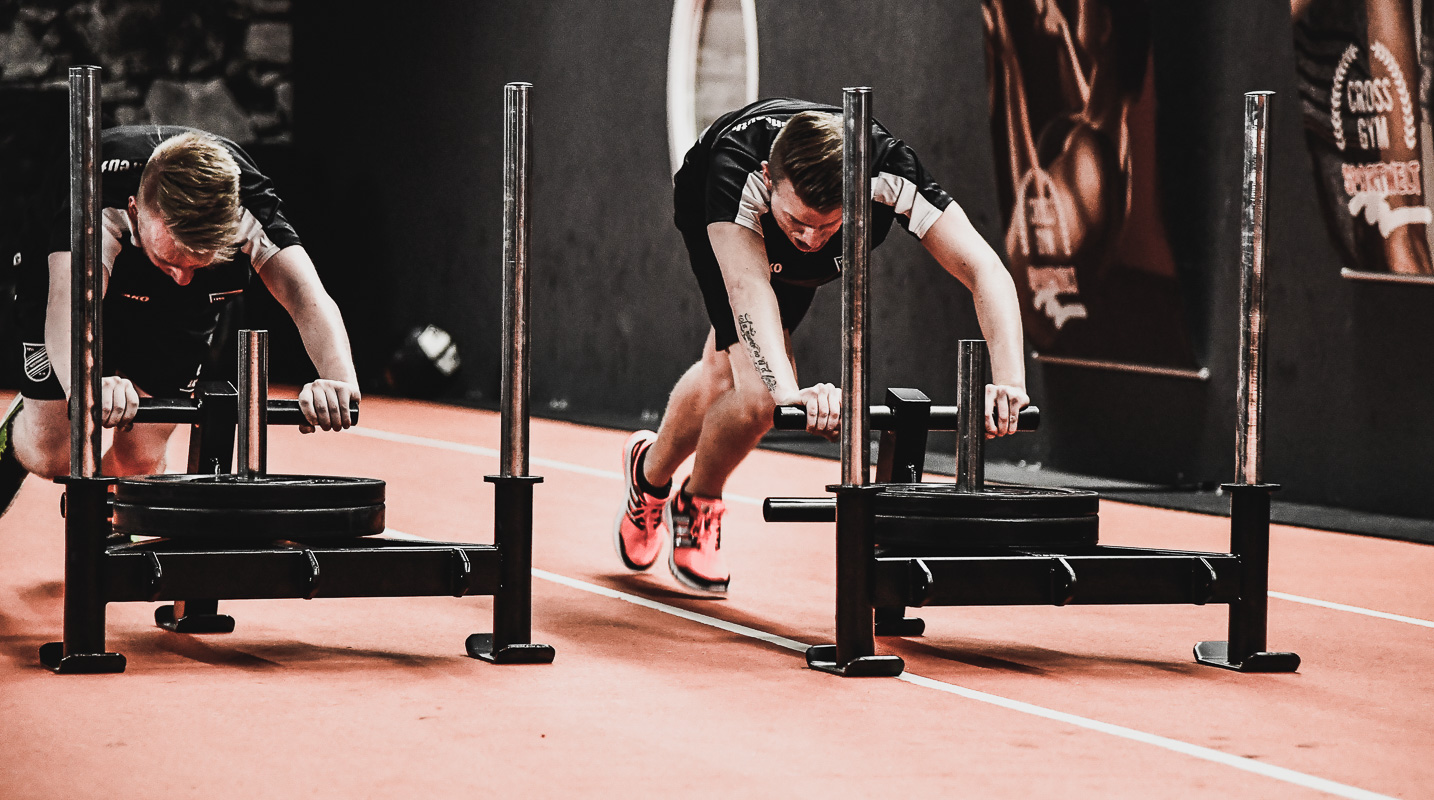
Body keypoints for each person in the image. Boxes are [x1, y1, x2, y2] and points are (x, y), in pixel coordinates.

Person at [614, 98, 1029, 594]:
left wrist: (1009, 381)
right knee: (758, 394)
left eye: (825, 224)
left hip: (798, 217)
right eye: (799, 222)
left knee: (724, 369)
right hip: (723, 214)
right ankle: (683, 494)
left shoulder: (888, 168)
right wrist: (792, 397)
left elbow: (984, 269)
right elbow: (749, 290)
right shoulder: (735, 171)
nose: (809, 238)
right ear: (770, 178)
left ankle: (654, 475)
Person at [0, 125, 360, 515]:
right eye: (169, 261)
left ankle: (101, 533)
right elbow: (69, 305)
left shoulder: (247, 207)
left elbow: (306, 299)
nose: (183, 277)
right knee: (54, 454)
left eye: (197, 263)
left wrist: (339, 381)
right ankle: (24, 420)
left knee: (141, 462)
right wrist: (83, 385)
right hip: (65, 273)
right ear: (135, 210)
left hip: (184, 309)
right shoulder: (96, 197)